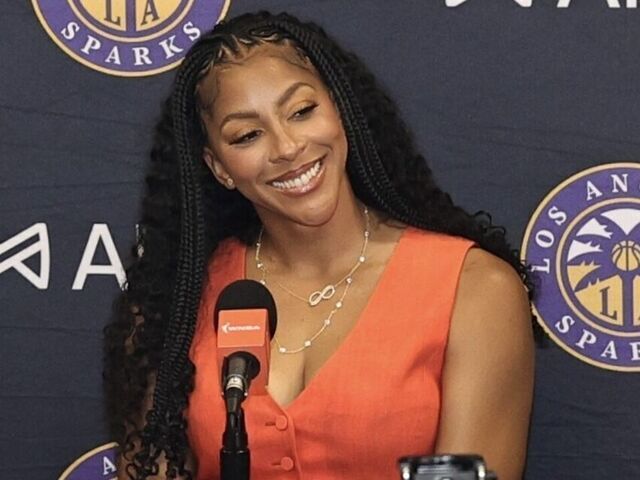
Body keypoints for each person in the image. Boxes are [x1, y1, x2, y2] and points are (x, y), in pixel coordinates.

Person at [105, 11, 535, 480]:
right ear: (219, 167)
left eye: (302, 111)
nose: (287, 147)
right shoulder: (175, 299)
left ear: (340, 110)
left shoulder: (474, 288)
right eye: (247, 135)